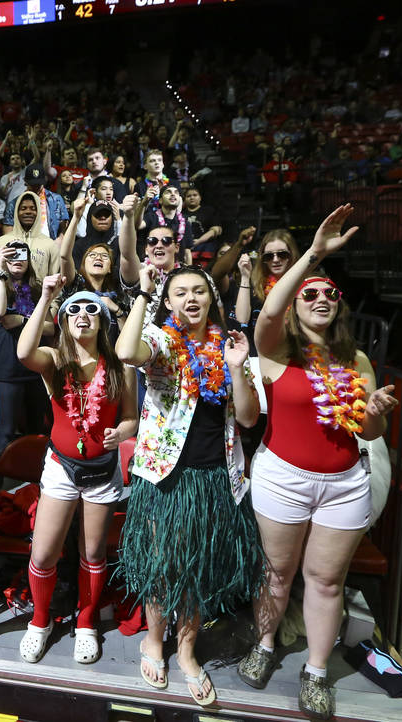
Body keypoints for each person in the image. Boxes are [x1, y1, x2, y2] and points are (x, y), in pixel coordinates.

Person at [239, 205, 398, 720]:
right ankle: (265, 646)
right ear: (293, 304)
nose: (322, 296)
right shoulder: (275, 349)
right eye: (310, 292)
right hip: (283, 478)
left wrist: (373, 414)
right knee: (278, 574)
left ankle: (316, 670)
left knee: (327, 581)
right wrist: (312, 257)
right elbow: (265, 313)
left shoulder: (357, 361)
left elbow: (369, 433)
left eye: (330, 292)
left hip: (345, 483)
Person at [115, 265, 263, 708]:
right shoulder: (162, 341)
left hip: (216, 476)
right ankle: (153, 642)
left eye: (199, 290)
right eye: (180, 292)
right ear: (170, 301)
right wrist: (144, 292)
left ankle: (185, 651)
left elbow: (251, 418)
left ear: (212, 299)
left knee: (197, 569)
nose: (191, 298)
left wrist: (237, 367)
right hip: (165, 476)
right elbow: (126, 350)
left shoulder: (231, 346)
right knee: (163, 564)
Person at [15, 276, 137, 665]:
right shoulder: (54, 360)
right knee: (45, 550)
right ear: (64, 320)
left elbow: (133, 417)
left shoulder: (120, 364)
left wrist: (125, 432)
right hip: (61, 468)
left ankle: (86, 623)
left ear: (102, 321)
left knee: (93, 551)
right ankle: (40, 621)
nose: (82, 315)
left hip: (103, 469)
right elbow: (22, 352)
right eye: (74, 310)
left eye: (91, 310)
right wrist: (48, 296)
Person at [0, 241, 52, 472]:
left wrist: (23, 320)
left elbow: (52, 328)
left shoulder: (37, 289)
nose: (17, 259)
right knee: (5, 434)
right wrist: (0, 269)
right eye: (11, 255)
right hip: (6, 371)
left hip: (34, 369)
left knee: (37, 432)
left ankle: (36, 486)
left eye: (22, 255)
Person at [59, 196, 131, 345]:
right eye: (92, 255)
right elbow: (65, 256)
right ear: (82, 264)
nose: (98, 258)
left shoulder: (117, 296)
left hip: (111, 361)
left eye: (104, 256)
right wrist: (76, 217)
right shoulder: (75, 288)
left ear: (111, 267)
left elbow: (129, 340)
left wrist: (116, 310)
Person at [0, 191, 61, 282]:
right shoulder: (0, 243)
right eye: (23, 208)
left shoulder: (50, 244)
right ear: (16, 212)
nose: (28, 212)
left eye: (33, 208)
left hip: (40, 295)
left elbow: (55, 282)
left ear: (38, 212)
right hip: (5, 295)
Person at [2, 164, 68, 240]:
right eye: (33, 185)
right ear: (25, 181)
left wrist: (60, 240)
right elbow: (8, 230)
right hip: (25, 245)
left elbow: (64, 224)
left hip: (51, 244)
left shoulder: (56, 199)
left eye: (38, 185)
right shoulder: (14, 204)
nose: (36, 188)